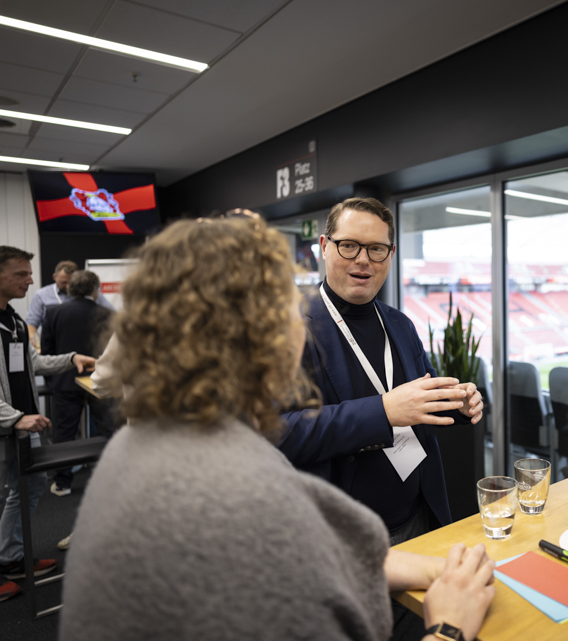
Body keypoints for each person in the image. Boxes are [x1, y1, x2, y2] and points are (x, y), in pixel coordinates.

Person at [60, 217, 495, 641]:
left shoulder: (144, 445)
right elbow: (284, 542)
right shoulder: (252, 500)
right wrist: (450, 627)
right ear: (267, 332)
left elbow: (311, 554)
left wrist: (431, 568)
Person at [279, 197, 483, 543]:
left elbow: (425, 394)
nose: (363, 260)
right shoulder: (287, 330)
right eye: (349, 246)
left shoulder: (400, 324)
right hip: (342, 536)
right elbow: (278, 433)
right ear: (324, 247)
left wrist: (458, 404)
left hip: (418, 515)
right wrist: (384, 411)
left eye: (376, 249)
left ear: (390, 255)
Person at [0, 246, 95, 603]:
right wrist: (13, 417)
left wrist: (71, 359)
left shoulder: (13, 319)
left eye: (29, 273)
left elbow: (32, 362)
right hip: (11, 423)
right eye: (20, 274)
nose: (29, 280)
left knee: (29, 486)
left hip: (24, 427)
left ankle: (9, 557)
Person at [41, 269, 115, 496]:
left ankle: (63, 482)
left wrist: (53, 380)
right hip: (99, 381)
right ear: (95, 289)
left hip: (65, 381)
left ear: (70, 289)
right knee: (109, 430)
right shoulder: (108, 314)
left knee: (64, 434)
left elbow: (47, 353)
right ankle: (114, 479)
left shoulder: (53, 312)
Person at [25, 260, 113, 349]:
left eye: (71, 282)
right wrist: (34, 341)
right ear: (55, 277)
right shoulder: (41, 295)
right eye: (63, 282)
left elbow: (112, 316)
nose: (67, 286)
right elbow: (31, 323)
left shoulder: (91, 293)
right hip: (57, 348)